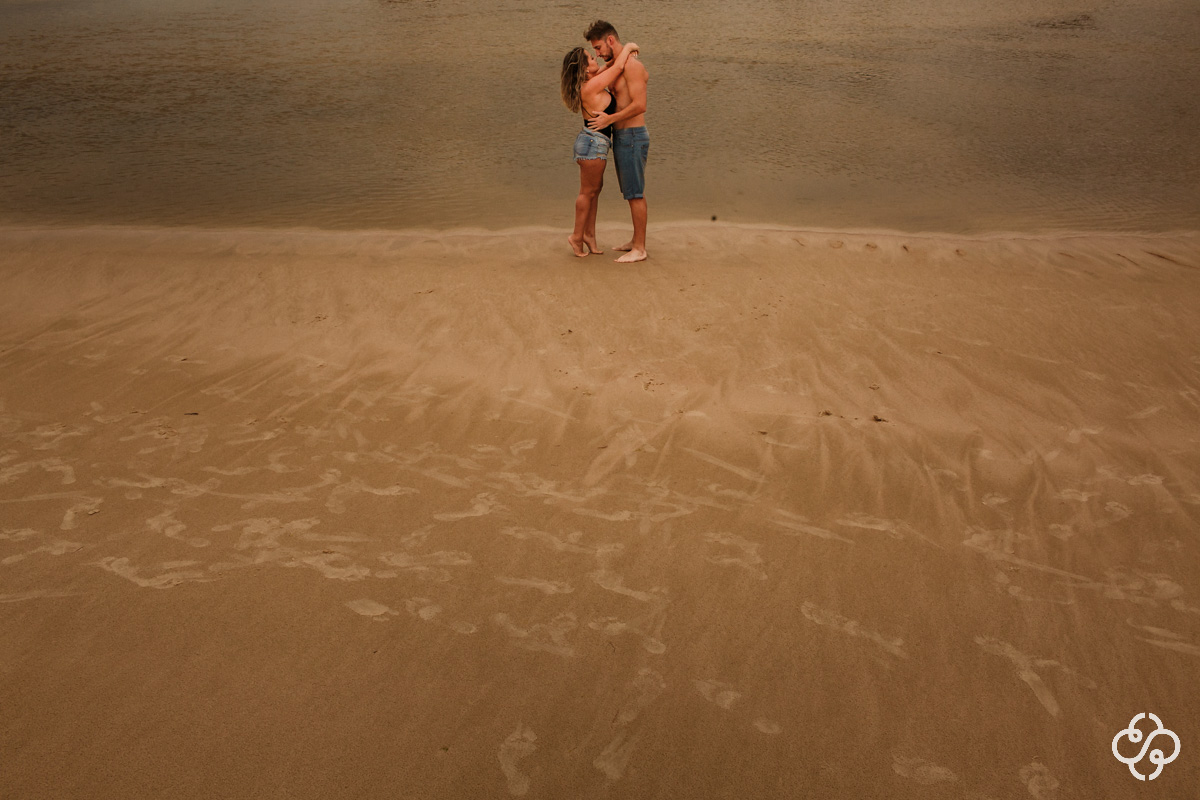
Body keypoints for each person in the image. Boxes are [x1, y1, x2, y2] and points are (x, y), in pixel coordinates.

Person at [560, 40, 640, 258]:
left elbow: (611, 66)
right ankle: (576, 237)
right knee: (587, 193)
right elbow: (617, 68)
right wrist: (630, 46)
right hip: (593, 144)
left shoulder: (592, 80)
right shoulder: (591, 86)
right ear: (585, 69)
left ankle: (589, 236)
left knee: (594, 192)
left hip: (594, 143)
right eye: (591, 58)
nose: (595, 59)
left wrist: (622, 54)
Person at [585, 20, 649, 263]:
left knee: (635, 193)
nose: (598, 54)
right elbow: (594, 77)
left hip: (634, 135)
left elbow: (640, 105)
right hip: (622, 137)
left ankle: (640, 248)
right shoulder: (617, 65)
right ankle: (635, 240)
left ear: (610, 40)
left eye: (599, 48)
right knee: (629, 191)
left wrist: (609, 118)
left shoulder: (632, 67)